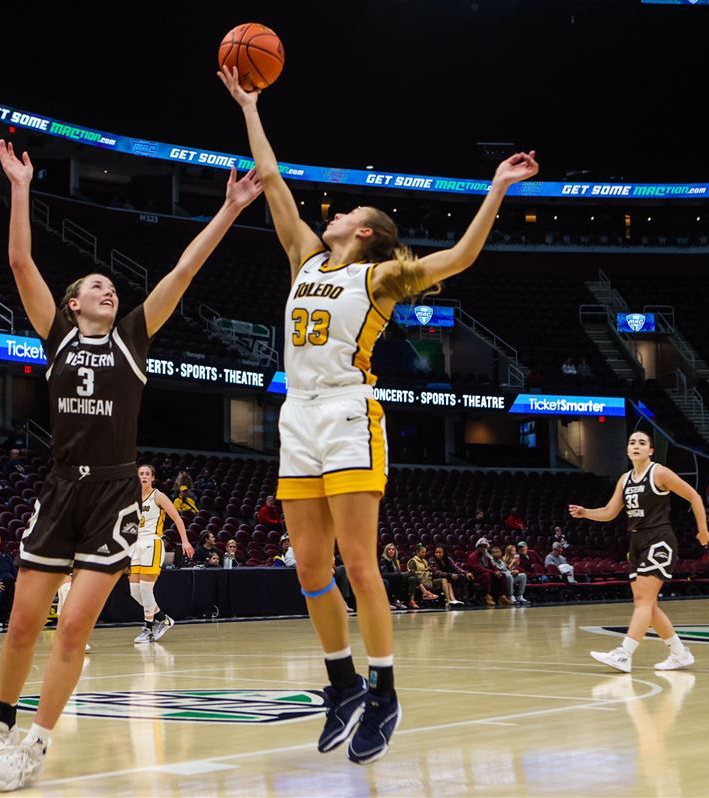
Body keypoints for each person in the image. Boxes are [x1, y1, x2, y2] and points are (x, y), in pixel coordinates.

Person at [219, 62, 538, 765]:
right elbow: (271, 178)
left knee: (360, 564)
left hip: (347, 412)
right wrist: (248, 105)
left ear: (365, 234)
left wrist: (496, 191)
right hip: (295, 415)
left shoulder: (380, 277)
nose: (331, 215)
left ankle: (387, 692)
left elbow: (459, 257)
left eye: (347, 215)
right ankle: (343, 683)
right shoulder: (305, 255)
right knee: (308, 566)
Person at [0, 139, 262, 791]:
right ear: (72, 304)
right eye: (95, 287)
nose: (107, 289)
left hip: (117, 495)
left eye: (110, 286)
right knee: (22, 621)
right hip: (61, 487)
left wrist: (231, 209)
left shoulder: (132, 338)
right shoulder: (58, 337)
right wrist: (19, 188)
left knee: (73, 627)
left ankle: (35, 746)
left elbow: (183, 271)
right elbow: (19, 260)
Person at [569, 430, 709, 672]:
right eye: (632, 442)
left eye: (642, 443)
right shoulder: (625, 479)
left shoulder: (660, 473)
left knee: (643, 601)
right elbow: (610, 511)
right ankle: (679, 653)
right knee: (648, 605)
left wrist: (703, 531)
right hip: (635, 542)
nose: (636, 446)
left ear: (650, 450)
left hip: (659, 540)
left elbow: (694, 496)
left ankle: (624, 654)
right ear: (627, 450)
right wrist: (587, 512)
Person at [130, 464, 194, 643]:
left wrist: (186, 541)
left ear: (152, 478)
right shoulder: (133, 499)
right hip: (136, 544)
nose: (143, 476)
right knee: (134, 592)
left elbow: (177, 518)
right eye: (141, 473)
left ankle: (148, 629)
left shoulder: (158, 496)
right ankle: (163, 619)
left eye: (147, 474)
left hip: (152, 542)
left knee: (145, 589)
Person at [467, 538, 509, 606]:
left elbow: (492, 567)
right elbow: (479, 569)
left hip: (487, 575)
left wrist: (497, 571)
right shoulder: (472, 557)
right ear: (477, 547)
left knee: (503, 575)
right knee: (487, 575)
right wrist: (493, 572)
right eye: (481, 547)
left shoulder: (486, 556)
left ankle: (502, 596)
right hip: (476, 577)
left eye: (485, 547)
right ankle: (487, 596)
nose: (483, 549)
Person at [379, 544, 410, 609]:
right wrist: (396, 575)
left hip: (394, 578)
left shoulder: (394, 561)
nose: (391, 551)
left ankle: (406, 601)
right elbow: (383, 573)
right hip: (385, 577)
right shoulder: (383, 559)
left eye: (393, 549)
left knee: (411, 578)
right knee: (402, 575)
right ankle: (395, 600)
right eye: (389, 549)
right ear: (386, 551)